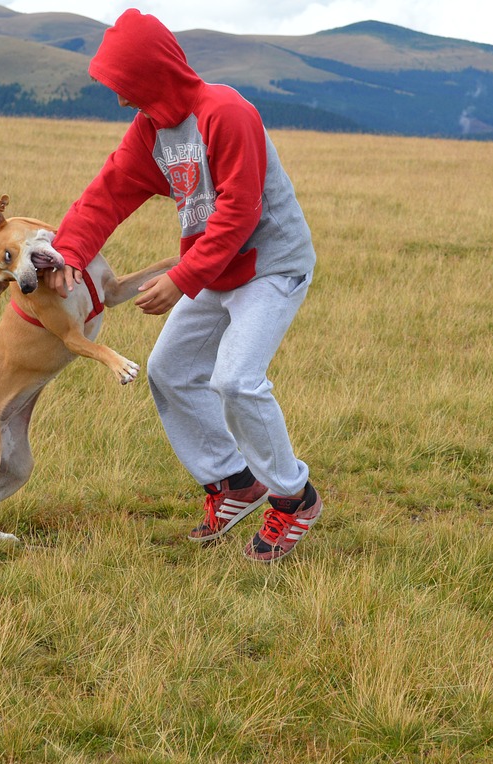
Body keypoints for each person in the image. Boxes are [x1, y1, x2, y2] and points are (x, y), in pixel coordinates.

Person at [46, 8, 322, 562]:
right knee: (169, 371)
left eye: (126, 86)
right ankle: (234, 483)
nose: (122, 99)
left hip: (270, 265)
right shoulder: (152, 129)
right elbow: (110, 191)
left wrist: (181, 278)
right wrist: (68, 252)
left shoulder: (226, 113)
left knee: (237, 381)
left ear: (154, 73)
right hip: (215, 269)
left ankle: (294, 498)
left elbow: (240, 214)